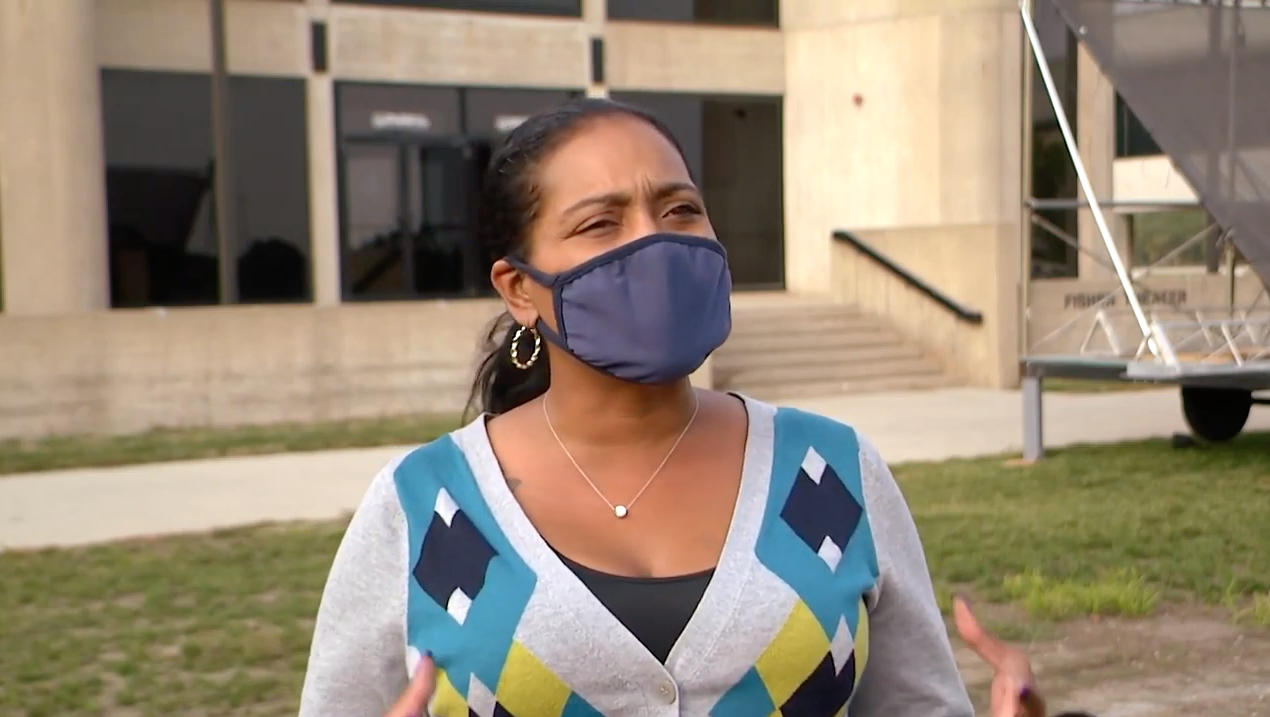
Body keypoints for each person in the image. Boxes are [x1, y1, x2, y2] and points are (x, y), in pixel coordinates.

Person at [297, 98, 1051, 717]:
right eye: (601, 222)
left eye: (680, 209)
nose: (654, 242)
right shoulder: (423, 509)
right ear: (519, 289)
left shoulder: (833, 474)